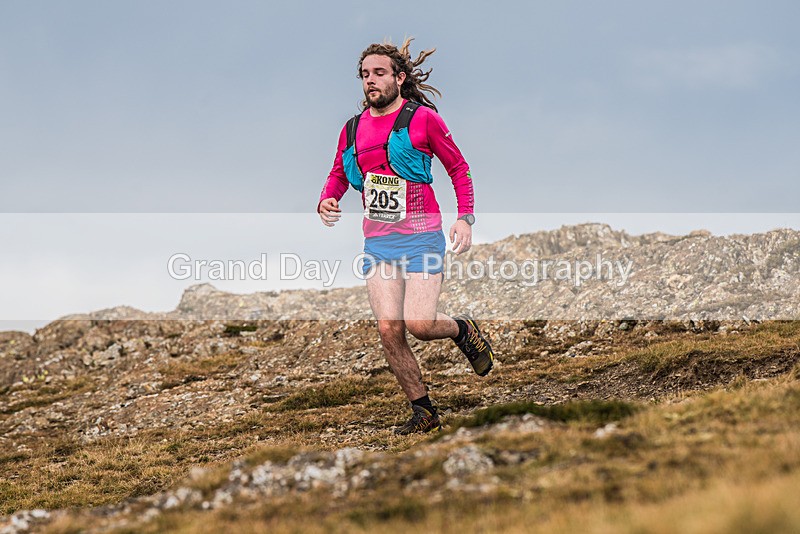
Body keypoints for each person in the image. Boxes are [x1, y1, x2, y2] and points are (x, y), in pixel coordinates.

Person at [317, 38, 494, 435]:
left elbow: (459, 168)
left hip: (422, 237)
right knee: (388, 329)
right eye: (365, 74)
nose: (370, 80)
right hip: (378, 244)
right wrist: (328, 198)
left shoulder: (423, 119)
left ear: (398, 77)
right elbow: (338, 173)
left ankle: (462, 329)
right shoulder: (352, 129)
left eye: (379, 73)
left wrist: (465, 218)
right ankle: (423, 412)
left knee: (420, 323)